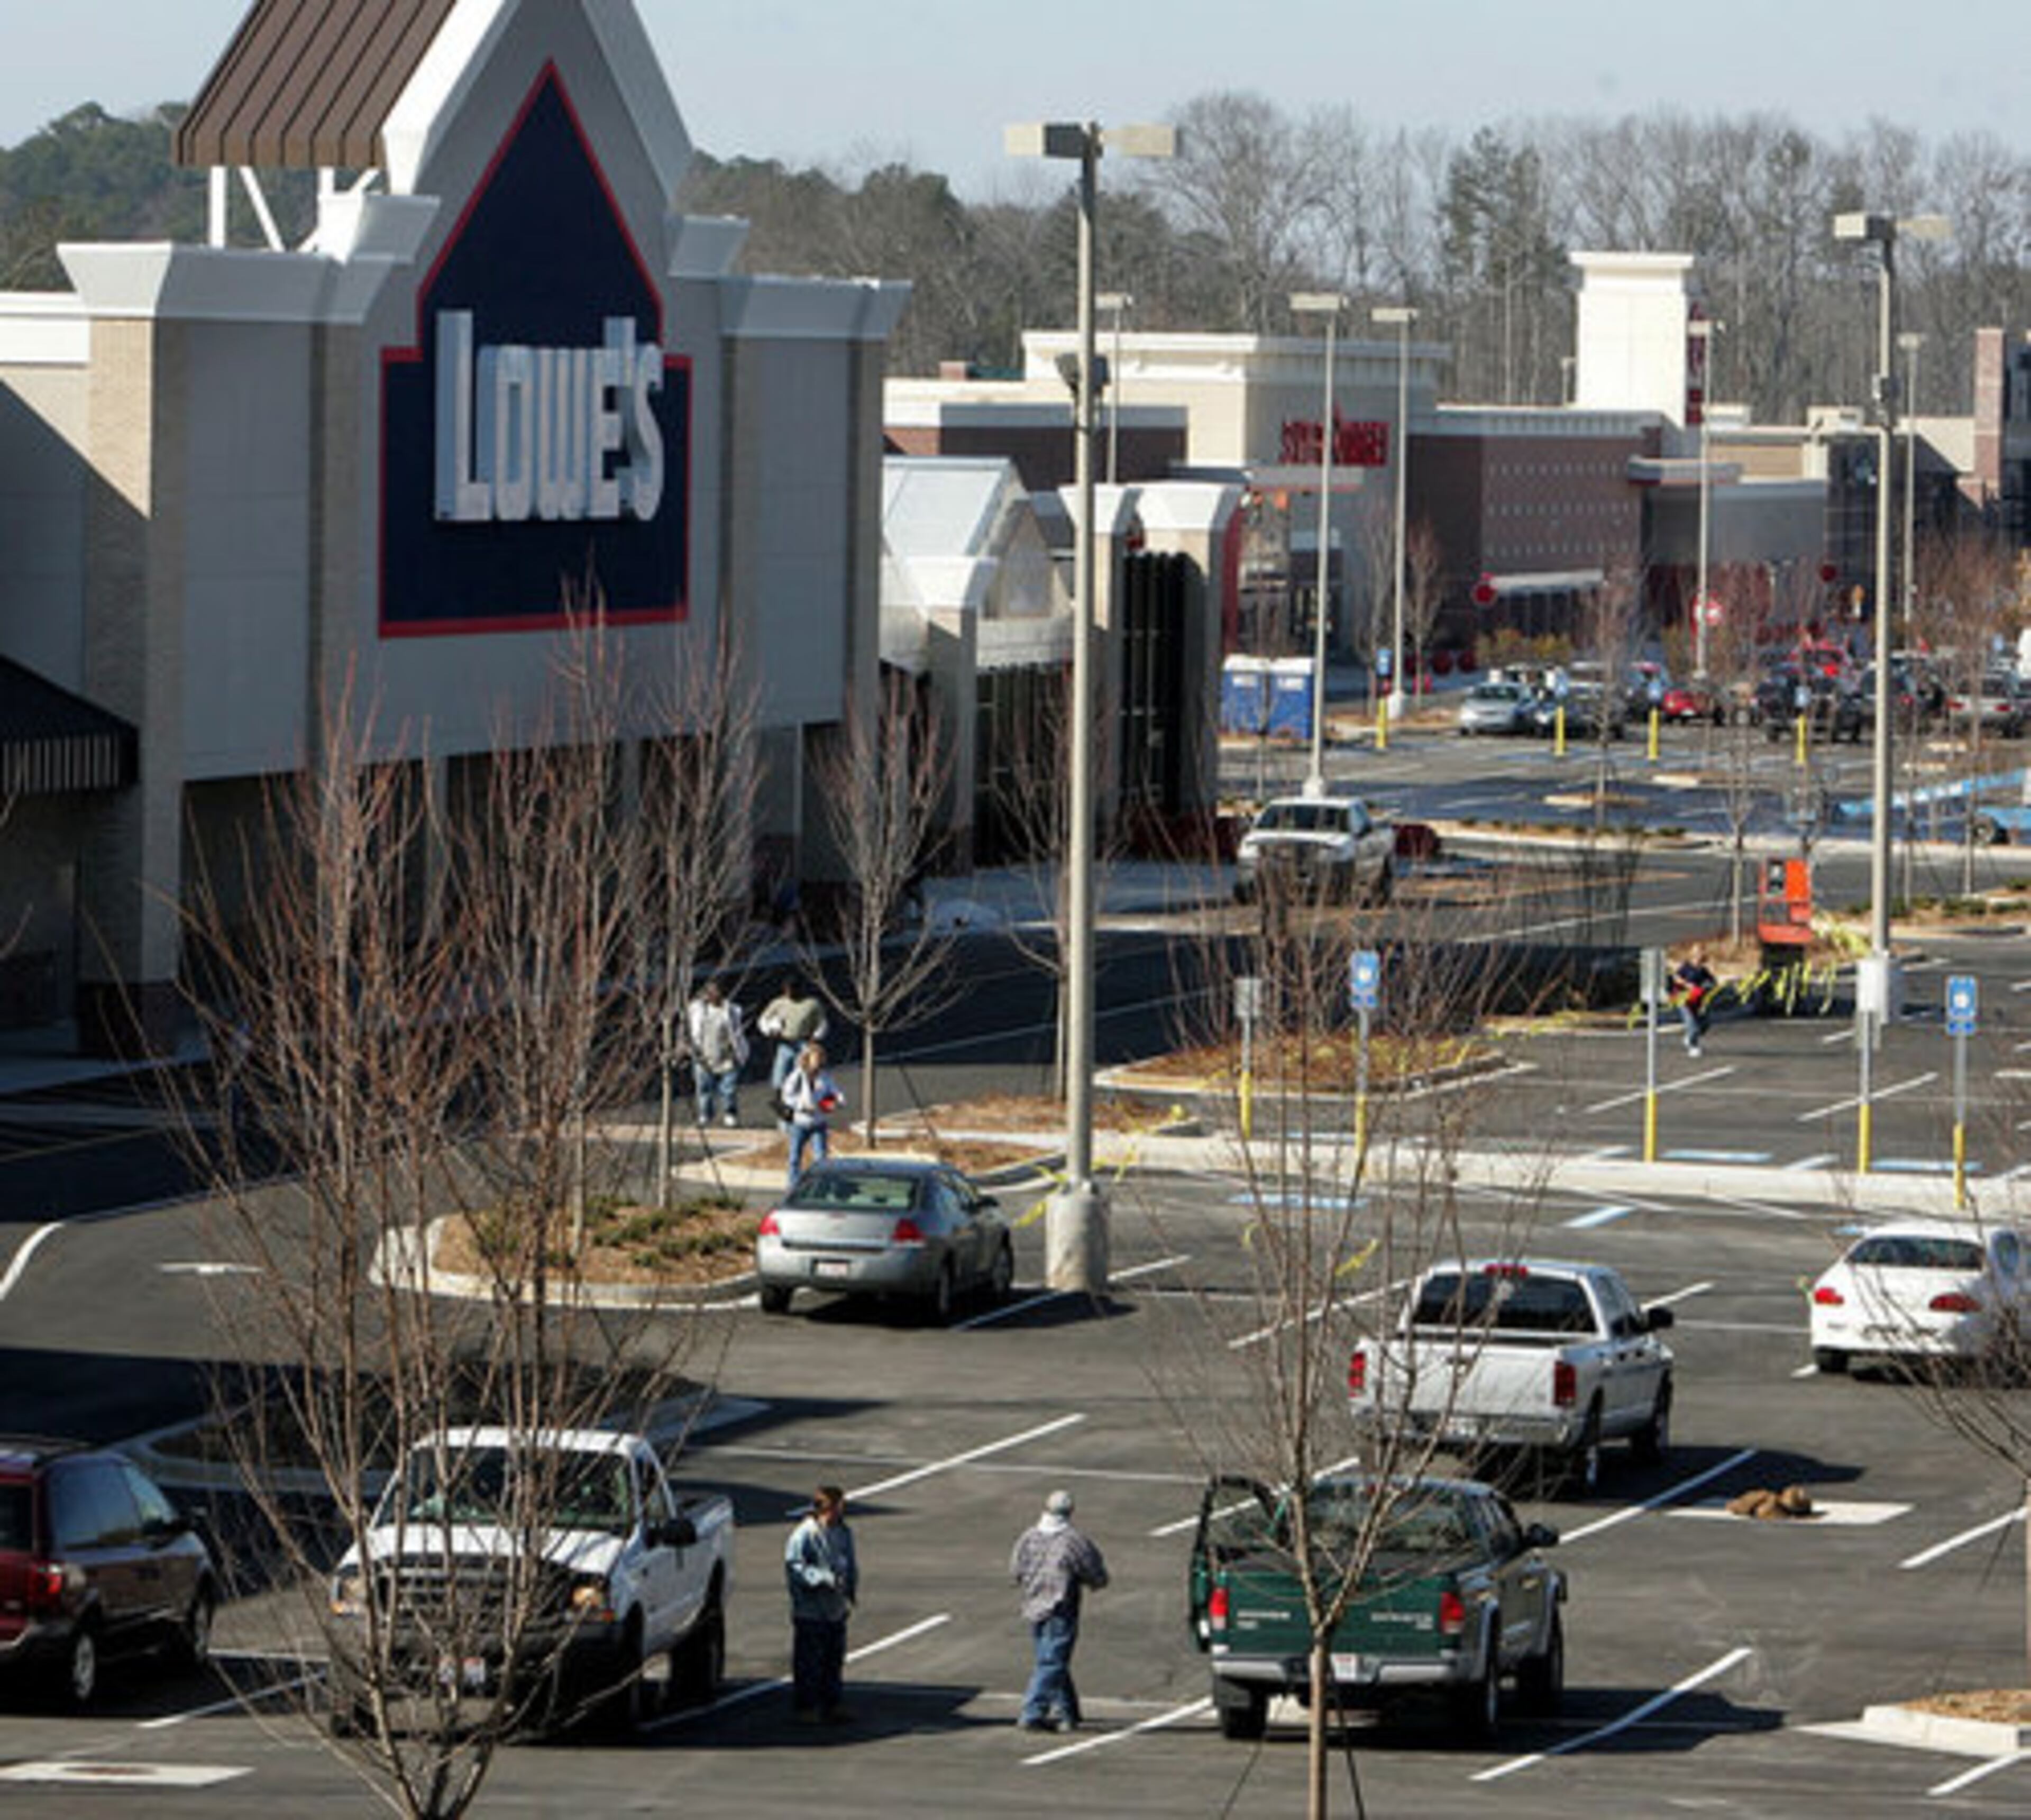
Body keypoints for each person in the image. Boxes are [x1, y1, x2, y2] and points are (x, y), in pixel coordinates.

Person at [1010, 1488, 1109, 1734]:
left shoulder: (1028, 1537)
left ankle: (1067, 1712)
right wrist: (1096, 1582)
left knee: (1052, 1659)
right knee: (1052, 1662)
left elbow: (1015, 1570)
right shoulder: (1072, 1540)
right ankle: (1032, 1711)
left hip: (1034, 1606)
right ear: (1070, 1512)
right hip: (1060, 1607)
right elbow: (1095, 1572)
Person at [784, 1484, 857, 1724]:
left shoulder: (844, 1532)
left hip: (835, 1608)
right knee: (809, 1661)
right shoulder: (805, 1535)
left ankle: (832, 1703)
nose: (839, 1512)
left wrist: (851, 1588)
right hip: (811, 1610)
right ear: (823, 1509)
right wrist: (822, 1579)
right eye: (835, 1507)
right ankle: (807, 1706)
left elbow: (850, 1561)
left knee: (833, 1659)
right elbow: (795, 1567)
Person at [685, 981, 748, 1127]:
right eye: (710, 992)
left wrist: (738, 1054)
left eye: (716, 992)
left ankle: (730, 1114)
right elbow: (691, 1018)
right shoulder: (698, 1010)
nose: (713, 995)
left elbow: (737, 1034)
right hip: (704, 1056)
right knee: (704, 1089)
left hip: (726, 1057)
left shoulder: (731, 1011)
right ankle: (705, 1115)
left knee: (728, 1089)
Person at [781, 1042, 843, 1185]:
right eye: (814, 1059)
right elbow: (787, 1096)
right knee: (795, 1157)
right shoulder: (797, 1076)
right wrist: (802, 1106)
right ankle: (793, 1184)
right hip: (800, 1123)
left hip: (818, 1123)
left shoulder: (824, 1077)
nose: (817, 1063)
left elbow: (835, 1092)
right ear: (807, 1059)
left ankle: (820, 1184)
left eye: (819, 1059)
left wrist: (838, 1101)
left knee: (821, 1157)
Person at [757, 976, 829, 1096]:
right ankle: (780, 1097)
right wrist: (770, 1031)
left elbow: (822, 1023)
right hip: (785, 1042)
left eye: (792, 990)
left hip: (804, 1043)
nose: (789, 993)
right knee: (780, 1072)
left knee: (802, 1072)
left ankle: (802, 1097)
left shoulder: (812, 1004)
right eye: (786, 990)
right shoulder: (778, 1004)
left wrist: (816, 1036)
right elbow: (763, 1020)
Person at [1673, 949, 1718, 1057]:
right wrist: (1687, 985)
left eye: (1702, 958)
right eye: (1697, 957)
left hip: (1697, 1001)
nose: (1699, 960)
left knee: (1705, 1024)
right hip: (1684, 1000)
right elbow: (1676, 978)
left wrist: (1709, 986)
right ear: (1692, 957)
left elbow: (1713, 982)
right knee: (1692, 1024)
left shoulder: (1703, 971)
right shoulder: (1686, 968)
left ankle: (1689, 1037)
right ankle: (1693, 1047)